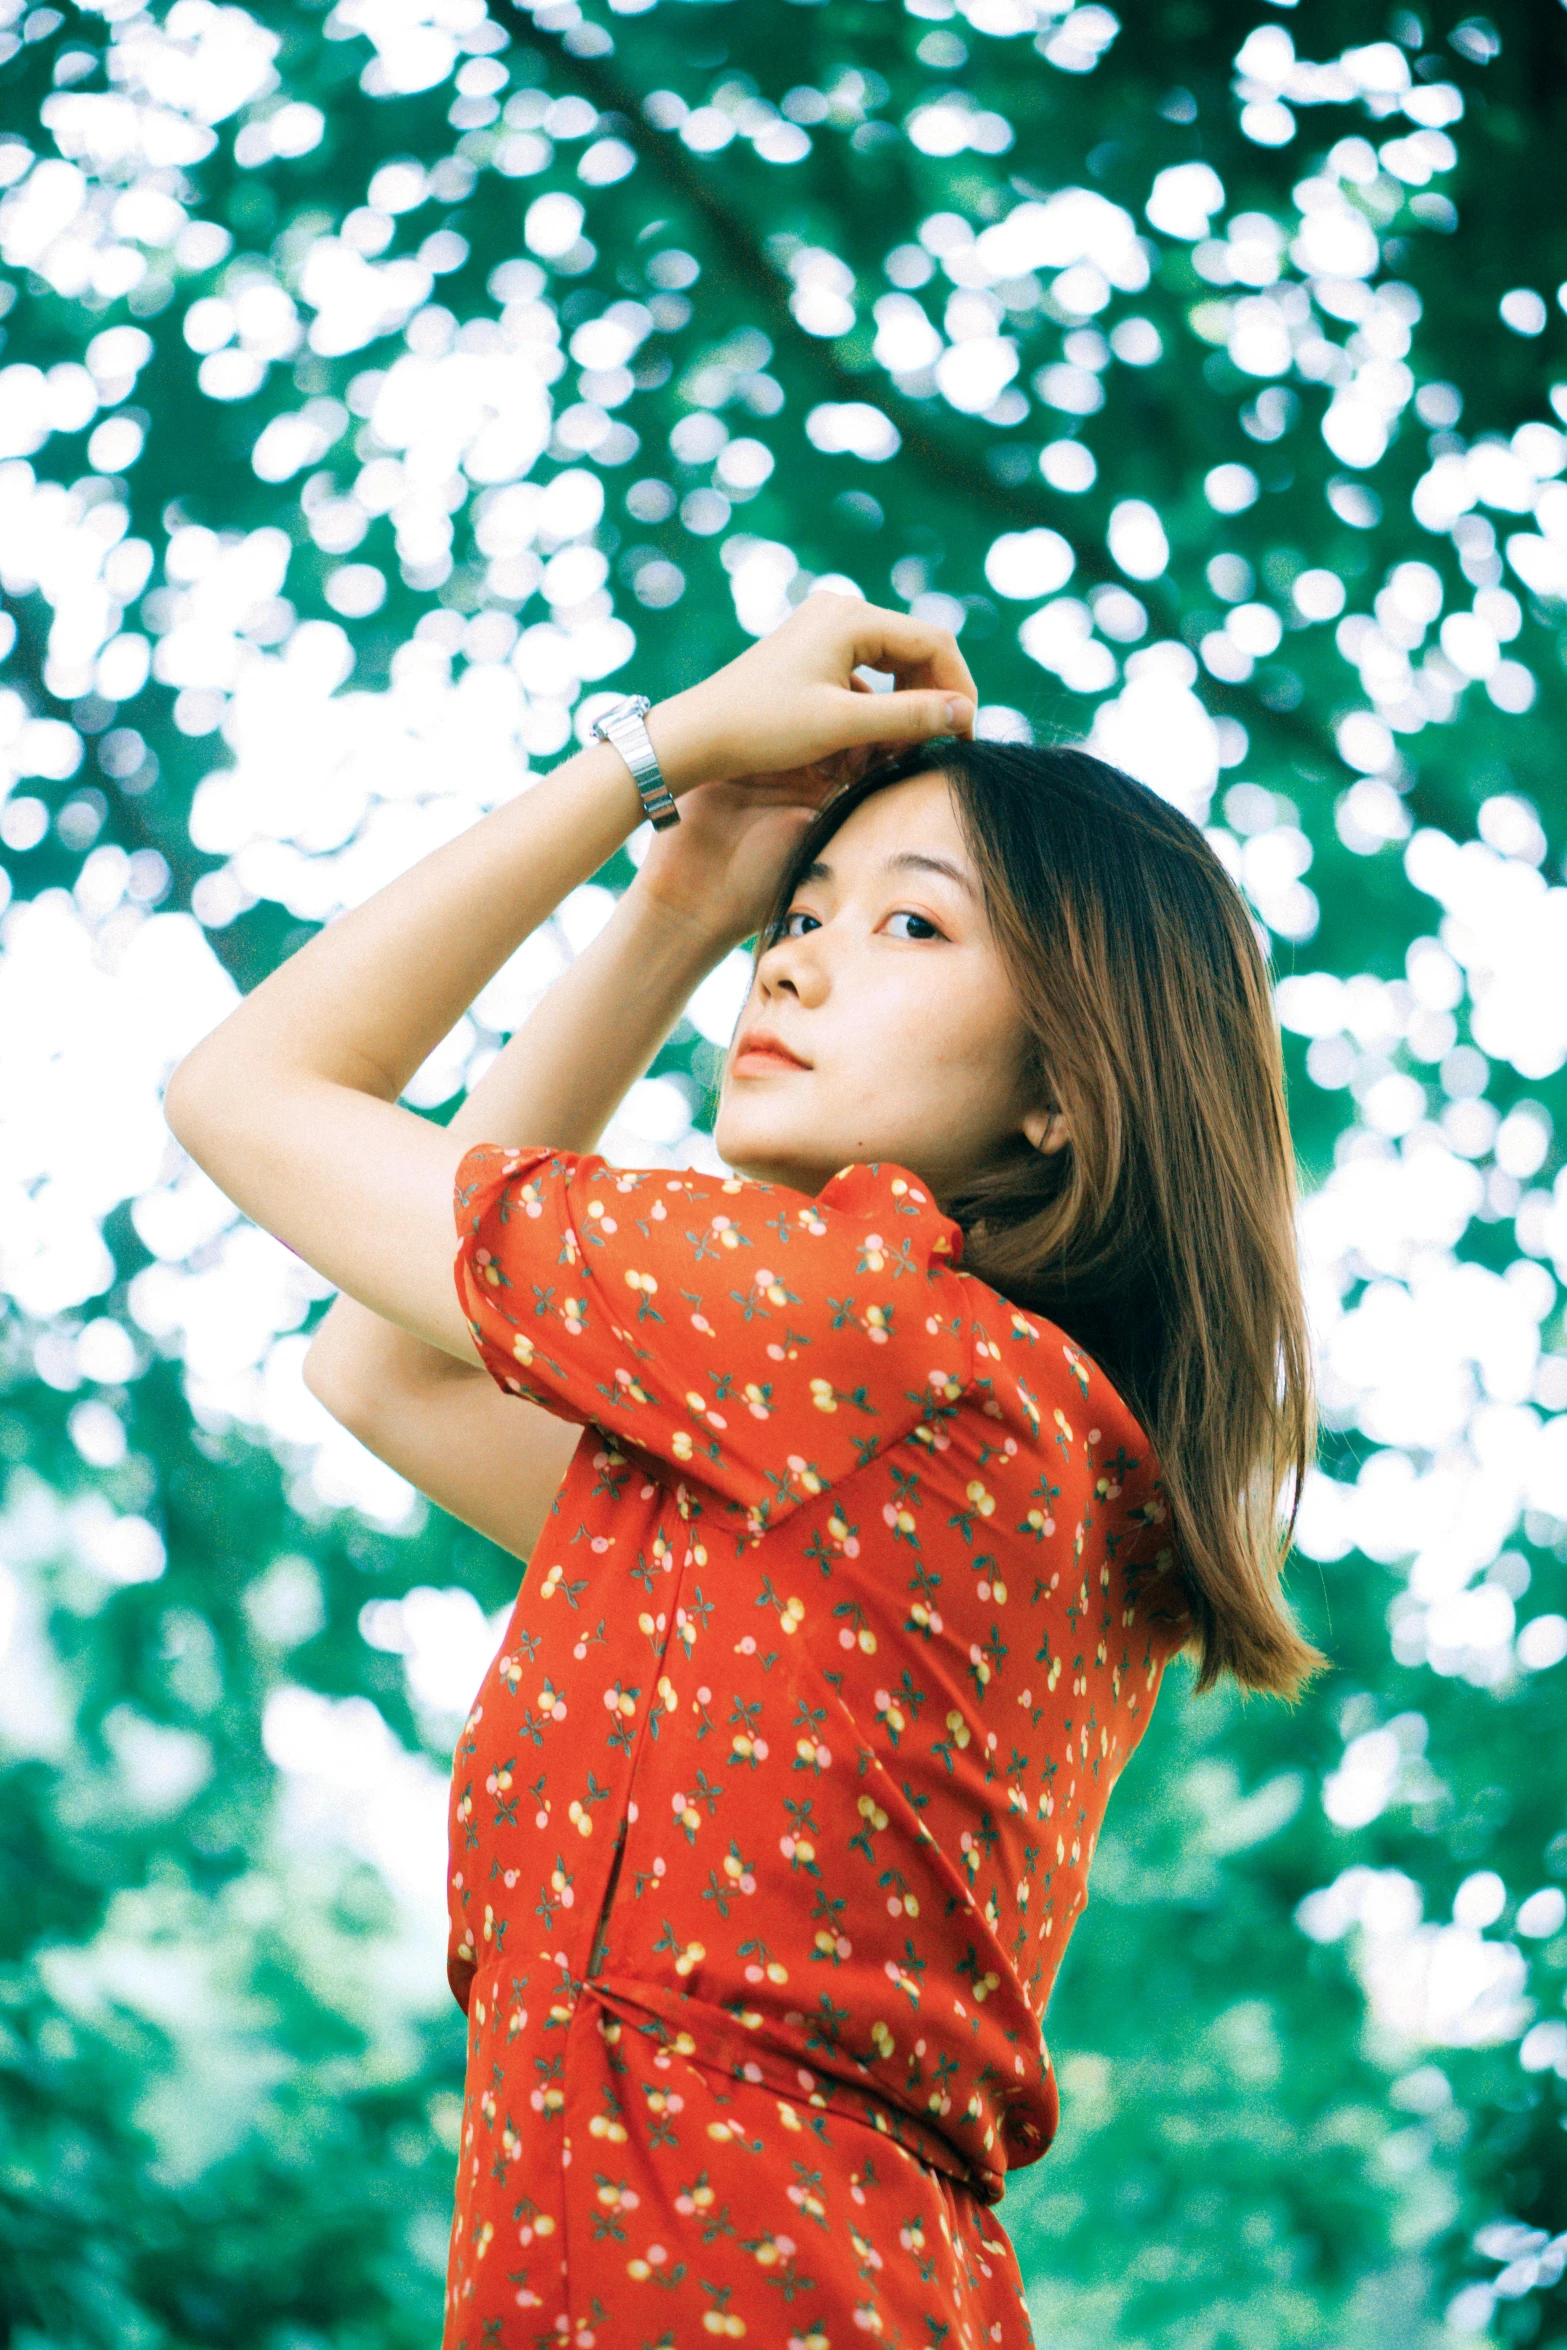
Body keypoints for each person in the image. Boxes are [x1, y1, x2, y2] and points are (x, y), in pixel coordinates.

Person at [165, 593, 1321, 2349]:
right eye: (793, 919)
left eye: (910, 924)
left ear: (1065, 1093)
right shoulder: (931, 1442)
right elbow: (389, 1362)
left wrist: (650, 759)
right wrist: (684, 896)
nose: (787, 965)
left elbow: (251, 1088)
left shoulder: (869, 1334)